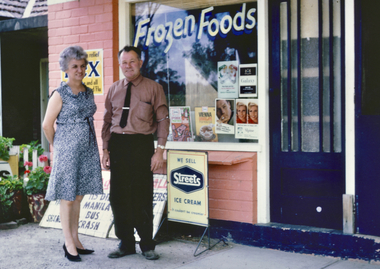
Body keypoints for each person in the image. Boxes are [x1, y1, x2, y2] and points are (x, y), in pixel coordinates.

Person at [101, 46, 169, 261]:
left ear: (140, 63)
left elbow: (162, 120)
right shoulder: (113, 89)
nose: (128, 66)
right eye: (124, 62)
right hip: (118, 145)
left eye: (132, 61)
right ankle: (126, 243)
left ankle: (147, 244)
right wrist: (105, 149)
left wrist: (159, 151)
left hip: (141, 145)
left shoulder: (154, 88)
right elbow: (106, 121)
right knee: (119, 197)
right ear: (120, 65)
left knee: (141, 195)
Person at [43, 46, 103, 262]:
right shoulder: (60, 94)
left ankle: (76, 239)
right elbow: (47, 125)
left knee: (78, 196)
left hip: (87, 148)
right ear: (66, 69)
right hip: (67, 150)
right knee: (67, 198)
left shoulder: (88, 91)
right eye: (74, 66)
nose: (80, 70)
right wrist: (58, 146)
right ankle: (68, 242)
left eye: (82, 66)